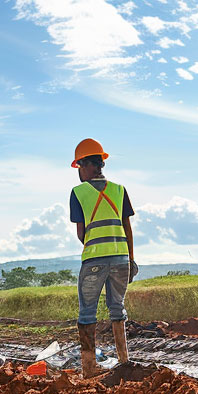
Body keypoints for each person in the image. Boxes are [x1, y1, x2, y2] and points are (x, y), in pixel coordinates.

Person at [68, 138, 138, 378]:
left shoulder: (78, 193)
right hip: (121, 259)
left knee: (87, 313)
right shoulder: (120, 190)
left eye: (79, 167)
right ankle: (124, 362)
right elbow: (127, 227)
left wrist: (96, 249)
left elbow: (81, 232)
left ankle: (88, 369)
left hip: (94, 260)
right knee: (117, 309)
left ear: (86, 165)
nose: (78, 173)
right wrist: (130, 259)